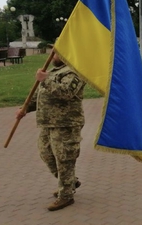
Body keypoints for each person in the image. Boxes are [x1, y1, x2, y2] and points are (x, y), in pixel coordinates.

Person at [16, 49, 86, 211]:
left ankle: (66, 195)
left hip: (65, 125)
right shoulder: (55, 71)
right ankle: (70, 182)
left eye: (57, 53)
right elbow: (42, 95)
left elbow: (66, 93)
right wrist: (25, 108)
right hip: (47, 123)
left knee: (64, 158)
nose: (53, 55)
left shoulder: (75, 72)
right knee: (46, 154)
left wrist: (45, 79)